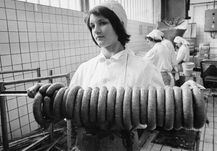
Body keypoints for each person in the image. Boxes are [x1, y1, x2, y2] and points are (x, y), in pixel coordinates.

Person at [69, 1, 164, 151]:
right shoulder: (85, 68)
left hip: (123, 145)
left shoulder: (145, 68)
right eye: (92, 26)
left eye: (102, 23)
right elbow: (68, 108)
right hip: (85, 145)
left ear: (119, 24)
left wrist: (186, 92)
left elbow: (162, 109)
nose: (96, 30)